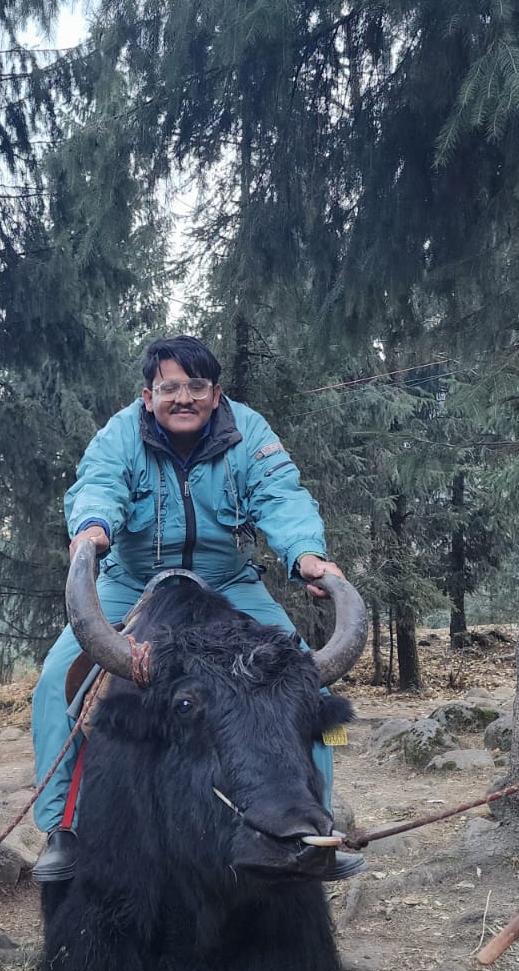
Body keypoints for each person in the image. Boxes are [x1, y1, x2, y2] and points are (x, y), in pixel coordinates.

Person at [30, 334, 361, 884]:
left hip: (227, 581)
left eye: (196, 386)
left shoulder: (249, 432)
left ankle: (311, 828)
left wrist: (307, 554)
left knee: (308, 684)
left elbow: (281, 495)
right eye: (169, 388)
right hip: (132, 582)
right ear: (148, 396)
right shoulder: (120, 434)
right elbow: (99, 485)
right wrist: (92, 528)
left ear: (216, 393)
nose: (183, 398)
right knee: (54, 683)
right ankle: (62, 827)